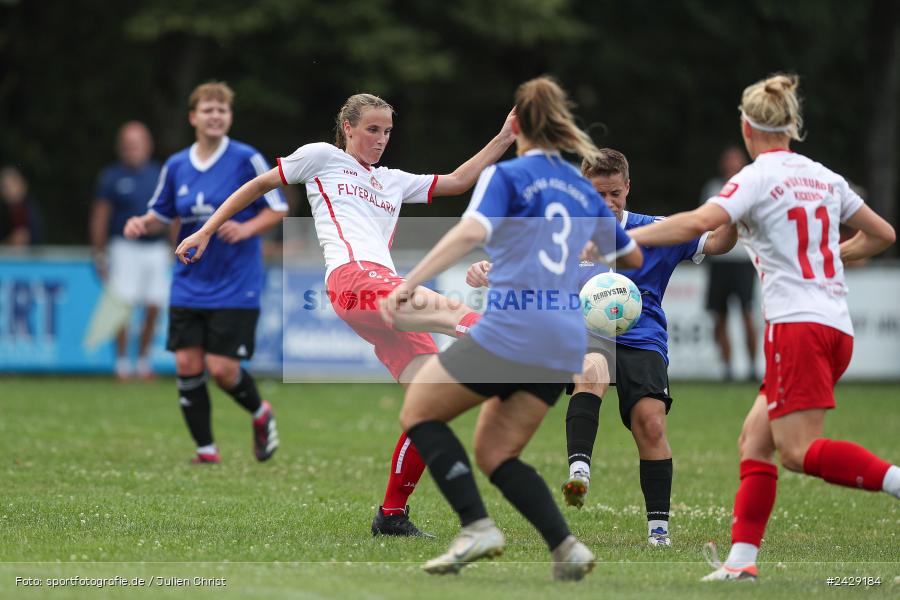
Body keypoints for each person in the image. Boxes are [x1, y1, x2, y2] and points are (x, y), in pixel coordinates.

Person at [174, 92, 517, 536]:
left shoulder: (392, 180)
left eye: (387, 131)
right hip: (356, 281)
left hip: (381, 289)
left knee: (429, 407)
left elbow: (456, 181)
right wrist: (206, 230)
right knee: (460, 315)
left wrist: (506, 136)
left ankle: (391, 516)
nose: (380, 139)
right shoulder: (322, 157)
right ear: (348, 128)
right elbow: (259, 186)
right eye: (372, 129)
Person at [627, 73, 899, 581]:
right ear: (791, 127)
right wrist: (828, 256)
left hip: (797, 328)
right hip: (835, 327)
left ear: (747, 129)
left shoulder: (757, 175)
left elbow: (694, 224)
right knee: (755, 439)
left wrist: (625, 238)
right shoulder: (824, 176)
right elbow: (882, 234)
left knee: (796, 451)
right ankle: (741, 563)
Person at [380, 77, 643, 580]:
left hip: (514, 328)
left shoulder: (508, 177)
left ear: (517, 124)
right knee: (497, 454)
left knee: (418, 410)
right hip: (562, 339)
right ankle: (566, 548)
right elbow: (630, 253)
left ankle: (476, 526)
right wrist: (591, 245)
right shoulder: (578, 186)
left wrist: (408, 282)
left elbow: (470, 231)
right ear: (561, 125)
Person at [466, 148, 737, 548]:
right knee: (591, 369)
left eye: (615, 194)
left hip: (642, 337)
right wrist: (483, 272)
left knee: (651, 423)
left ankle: (658, 532)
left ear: (627, 187)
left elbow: (715, 243)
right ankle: (579, 471)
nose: (608, 203)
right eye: (598, 195)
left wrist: (734, 217)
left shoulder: (656, 229)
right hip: (584, 333)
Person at [124, 81, 287, 465]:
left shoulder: (247, 158)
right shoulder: (177, 164)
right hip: (189, 279)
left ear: (229, 117)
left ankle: (260, 413)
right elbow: (162, 212)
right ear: (193, 117)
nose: (216, 116)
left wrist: (246, 229)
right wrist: (141, 223)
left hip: (236, 281)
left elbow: (277, 207)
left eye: (223, 110)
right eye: (209, 110)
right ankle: (206, 451)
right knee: (186, 364)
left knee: (223, 369)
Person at [90, 121, 167, 380]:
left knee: (154, 305)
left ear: (148, 145)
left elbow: (173, 213)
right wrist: (99, 252)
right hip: (124, 247)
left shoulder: (160, 173)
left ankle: (144, 361)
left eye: (137, 143)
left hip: (155, 248)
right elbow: (100, 216)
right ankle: (122, 364)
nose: (132, 149)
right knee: (122, 305)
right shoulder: (111, 177)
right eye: (127, 144)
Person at [700, 146, 758, 380]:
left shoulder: (753, 188)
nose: (732, 166)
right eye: (729, 161)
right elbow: (705, 222)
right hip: (719, 263)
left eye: (736, 161)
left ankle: (753, 368)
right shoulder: (713, 189)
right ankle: (727, 369)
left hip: (744, 262)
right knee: (720, 317)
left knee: (747, 314)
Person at [0, 166, 44, 246]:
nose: (9, 190)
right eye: (5, 186)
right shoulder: (3, 212)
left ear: (22, 185)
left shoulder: (32, 210)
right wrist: (10, 242)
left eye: (12, 184)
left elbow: (38, 239)